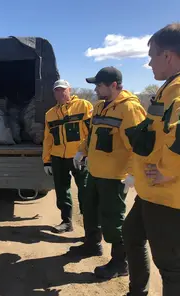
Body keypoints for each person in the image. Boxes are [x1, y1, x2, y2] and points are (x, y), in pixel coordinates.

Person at [71, 67, 146, 280]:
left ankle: (120, 263)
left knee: (113, 220)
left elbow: (138, 146)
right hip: (95, 172)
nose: (95, 89)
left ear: (113, 85)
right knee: (90, 210)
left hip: (115, 178)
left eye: (99, 85)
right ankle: (92, 245)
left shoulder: (130, 109)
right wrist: (81, 151)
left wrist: (132, 173)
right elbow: (93, 135)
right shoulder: (99, 107)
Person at [123, 23, 180, 296]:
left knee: (172, 269)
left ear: (168, 56)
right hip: (150, 191)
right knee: (131, 235)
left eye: (152, 55)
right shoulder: (167, 88)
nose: (148, 62)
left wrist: (169, 171)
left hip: (168, 197)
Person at [42, 79, 92, 233]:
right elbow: (48, 138)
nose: (61, 93)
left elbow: (92, 132)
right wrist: (47, 161)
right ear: (54, 93)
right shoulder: (50, 114)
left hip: (79, 157)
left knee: (85, 190)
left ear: (69, 89)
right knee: (62, 190)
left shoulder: (83, 106)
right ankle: (66, 222)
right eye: (57, 90)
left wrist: (89, 154)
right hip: (58, 158)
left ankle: (90, 226)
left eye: (63, 89)